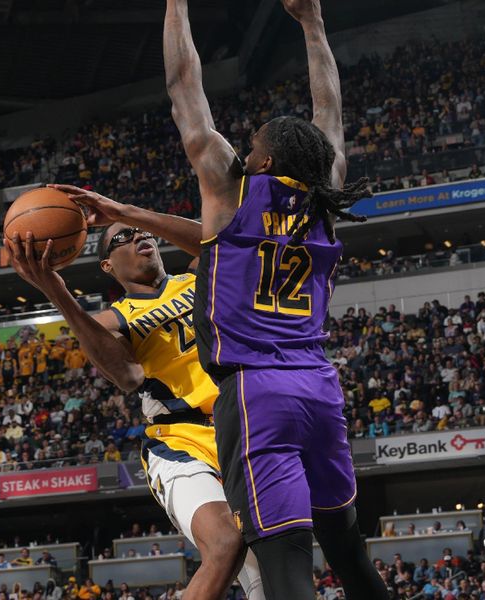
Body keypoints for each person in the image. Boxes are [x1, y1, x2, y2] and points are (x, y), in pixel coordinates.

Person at [162, 0, 385, 598]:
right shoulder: (325, 196)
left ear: (259, 161)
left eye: (251, 142)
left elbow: (185, 86)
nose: (243, 146)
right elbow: (330, 113)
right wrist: (313, 22)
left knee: (286, 563)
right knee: (349, 552)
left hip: (257, 391)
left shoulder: (228, 191)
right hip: (318, 384)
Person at [5, 196, 264, 600]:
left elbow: (225, 240)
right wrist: (58, 292)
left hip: (245, 429)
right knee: (226, 543)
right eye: (122, 238)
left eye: (142, 233)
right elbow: (127, 376)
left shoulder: (198, 277)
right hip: (181, 442)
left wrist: (129, 213)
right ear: (107, 265)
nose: (138, 237)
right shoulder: (113, 317)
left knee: (268, 574)